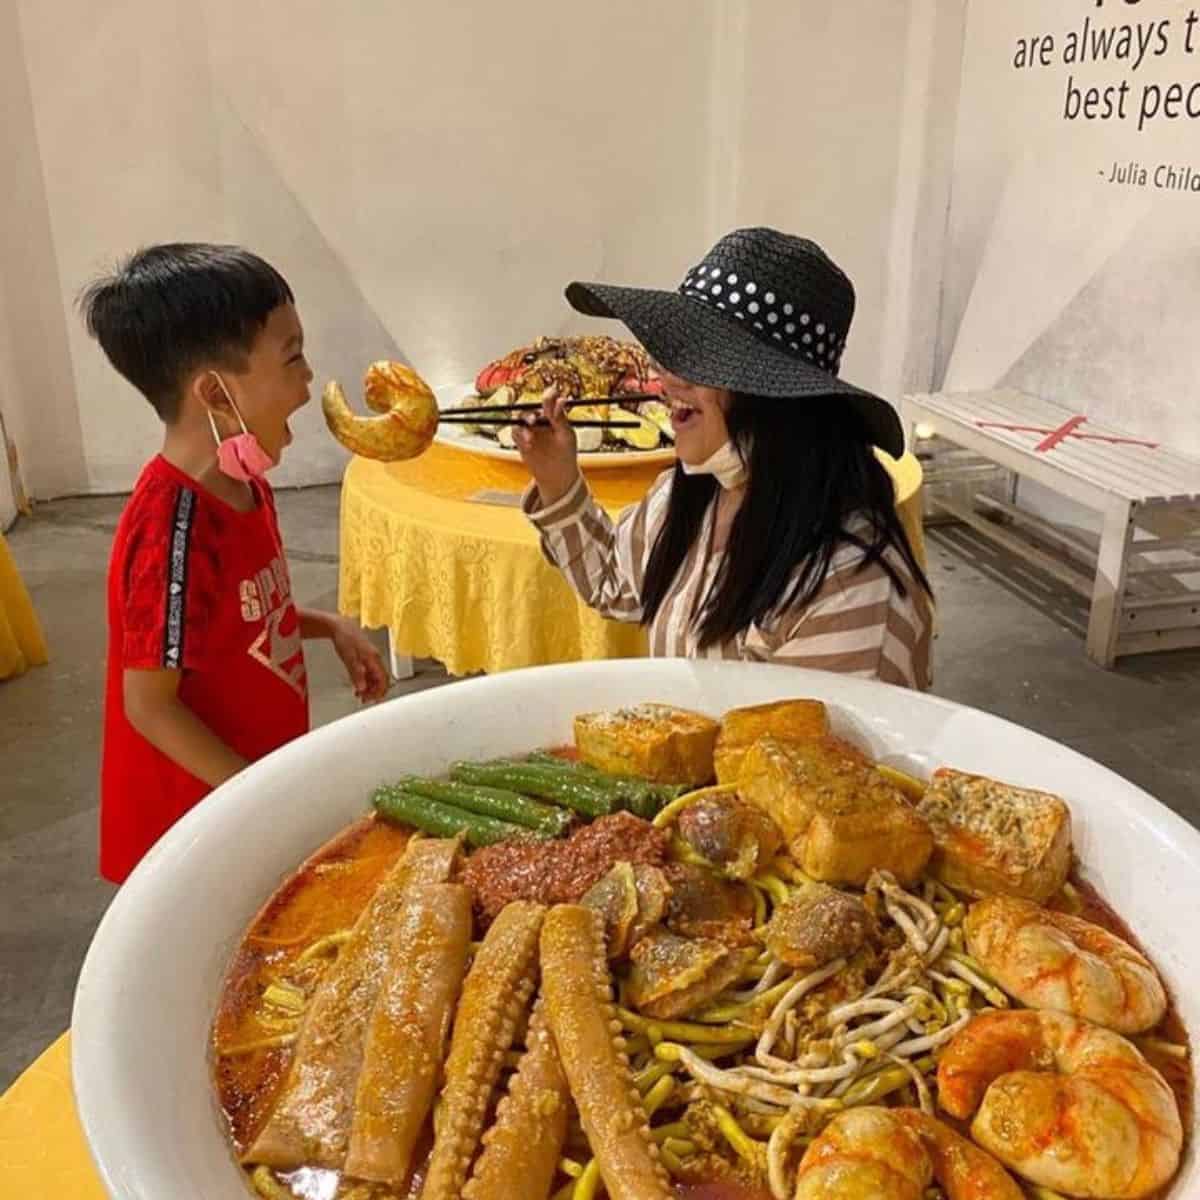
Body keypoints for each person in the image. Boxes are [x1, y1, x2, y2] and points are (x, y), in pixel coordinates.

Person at [81, 243, 388, 884]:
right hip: (198, 820)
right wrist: (257, 798)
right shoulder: (172, 526)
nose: (309, 380)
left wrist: (325, 624)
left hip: (252, 785)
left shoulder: (243, 481)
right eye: (293, 356)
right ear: (215, 392)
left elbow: (236, 620)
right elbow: (150, 704)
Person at [516, 227, 933, 687]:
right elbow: (617, 585)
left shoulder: (850, 583)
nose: (666, 376)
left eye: (702, 361)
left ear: (778, 396)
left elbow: (815, 754)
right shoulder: (694, 493)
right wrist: (558, 481)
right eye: (672, 352)